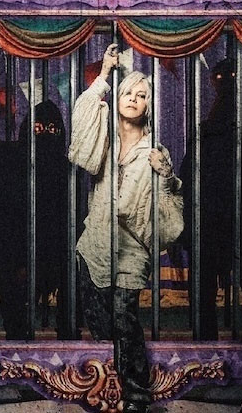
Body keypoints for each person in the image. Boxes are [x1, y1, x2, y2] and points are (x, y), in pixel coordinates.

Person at [69, 44, 183, 413]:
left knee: (124, 316)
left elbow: (169, 205)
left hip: (132, 247)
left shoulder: (155, 150)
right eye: (128, 93)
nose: (133, 99)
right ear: (117, 98)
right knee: (99, 321)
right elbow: (82, 116)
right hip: (95, 242)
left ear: (149, 105)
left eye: (141, 95)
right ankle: (106, 386)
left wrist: (167, 176)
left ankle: (136, 395)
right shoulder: (102, 137)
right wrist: (104, 75)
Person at [178, 56, 242, 339]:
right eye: (219, 79)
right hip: (226, 221)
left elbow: (189, 179)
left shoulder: (235, 130)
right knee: (241, 284)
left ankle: (217, 345)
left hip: (232, 220)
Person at [0, 99, 71, 338]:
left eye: (52, 129)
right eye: (38, 128)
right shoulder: (13, 160)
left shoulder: (65, 167)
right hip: (16, 242)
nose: (45, 134)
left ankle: (67, 336)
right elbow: (6, 212)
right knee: (16, 312)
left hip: (54, 246)